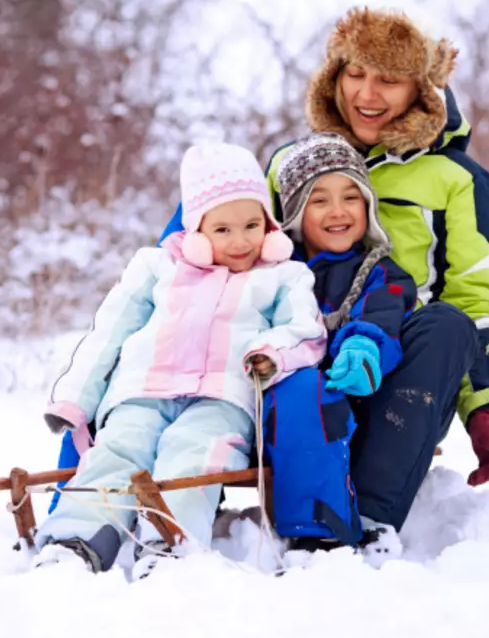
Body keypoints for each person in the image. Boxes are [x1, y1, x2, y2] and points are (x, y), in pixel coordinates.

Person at [264, 7, 489, 553]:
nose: (367, 94)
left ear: (421, 90)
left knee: (446, 323)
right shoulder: (291, 162)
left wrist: (484, 405)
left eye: (389, 80)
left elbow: (474, 297)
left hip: (400, 376)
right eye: (355, 74)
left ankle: (369, 520)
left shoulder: (457, 180)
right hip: (297, 355)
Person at [33, 142, 328, 579]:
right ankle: (75, 543)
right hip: (141, 390)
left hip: (222, 398)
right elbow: (108, 333)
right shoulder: (155, 268)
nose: (241, 241)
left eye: (252, 225)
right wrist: (76, 400)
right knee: (115, 453)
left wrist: (271, 353)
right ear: (196, 228)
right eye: (222, 229)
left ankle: (169, 545)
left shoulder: (283, 276)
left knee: (194, 455)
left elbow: (306, 332)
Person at [264, 133, 418, 556]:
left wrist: (363, 347)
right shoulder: (270, 269)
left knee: (309, 392)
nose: (338, 212)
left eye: (351, 197)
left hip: (339, 399)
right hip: (257, 390)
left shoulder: (379, 272)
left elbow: (382, 313)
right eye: (319, 200)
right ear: (295, 211)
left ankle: (319, 529)